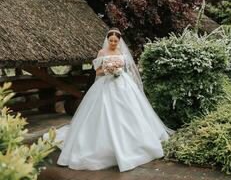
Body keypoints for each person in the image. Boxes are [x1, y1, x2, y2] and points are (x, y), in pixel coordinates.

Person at [43, 27, 175, 172]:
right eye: (110, 40)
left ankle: (135, 144)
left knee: (130, 113)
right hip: (105, 85)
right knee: (103, 113)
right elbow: (97, 71)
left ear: (119, 41)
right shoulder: (102, 52)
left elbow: (127, 69)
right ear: (107, 40)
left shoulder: (121, 52)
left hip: (123, 85)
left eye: (115, 41)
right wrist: (108, 69)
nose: (112, 43)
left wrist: (118, 70)